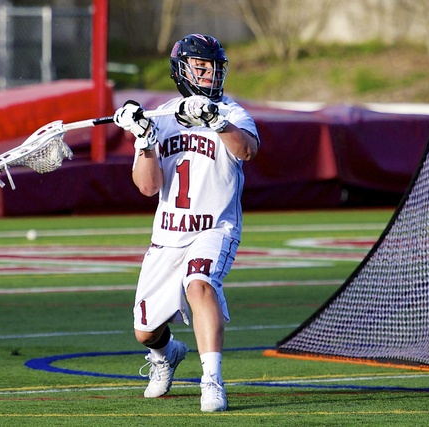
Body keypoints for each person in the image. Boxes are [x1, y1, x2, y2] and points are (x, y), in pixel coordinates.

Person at [113, 33, 259, 412]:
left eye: (214, 67)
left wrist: (216, 122)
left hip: (214, 227)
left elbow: (246, 150)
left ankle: (212, 380)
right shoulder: (161, 117)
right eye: (201, 67)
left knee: (200, 284)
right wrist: (144, 139)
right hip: (167, 235)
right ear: (182, 71)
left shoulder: (232, 112)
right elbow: (147, 187)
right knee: (144, 331)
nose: (210, 74)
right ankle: (167, 354)